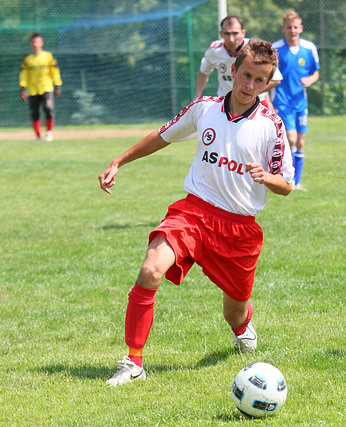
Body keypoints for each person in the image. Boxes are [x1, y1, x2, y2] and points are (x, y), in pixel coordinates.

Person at [99, 40, 294, 386]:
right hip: (193, 213)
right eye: (245, 75)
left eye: (259, 80)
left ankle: (241, 325)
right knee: (150, 270)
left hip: (239, 228)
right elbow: (163, 136)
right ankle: (133, 362)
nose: (250, 85)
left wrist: (267, 177)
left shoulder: (272, 126)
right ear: (232, 71)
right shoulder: (204, 109)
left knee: (233, 309)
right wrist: (119, 160)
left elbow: (287, 184)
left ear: (267, 84)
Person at [272, 10, 320, 191]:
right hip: (282, 102)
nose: (292, 30)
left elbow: (315, 73)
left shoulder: (309, 48)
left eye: (295, 27)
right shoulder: (275, 49)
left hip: (301, 103)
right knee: (290, 139)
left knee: (300, 141)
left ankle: (297, 182)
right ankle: (287, 178)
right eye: (289, 27)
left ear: (301, 28)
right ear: (283, 29)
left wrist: (310, 80)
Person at [194, 14, 281, 109]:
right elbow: (203, 73)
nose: (231, 39)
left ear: (243, 33)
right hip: (225, 103)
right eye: (227, 33)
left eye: (235, 33)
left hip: (255, 102)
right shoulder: (214, 50)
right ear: (221, 34)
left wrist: (250, 92)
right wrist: (197, 98)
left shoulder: (255, 49)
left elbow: (276, 80)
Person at [19, 33, 62, 141]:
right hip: (33, 90)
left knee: (49, 109)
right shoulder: (27, 59)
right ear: (31, 43)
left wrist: (57, 85)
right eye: (33, 42)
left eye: (37, 41)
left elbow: (55, 72)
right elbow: (23, 74)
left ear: (41, 43)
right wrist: (22, 87)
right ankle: (38, 136)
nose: (35, 44)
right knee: (34, 113)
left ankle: (49, 132)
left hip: (46, 88)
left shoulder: (48, 56)